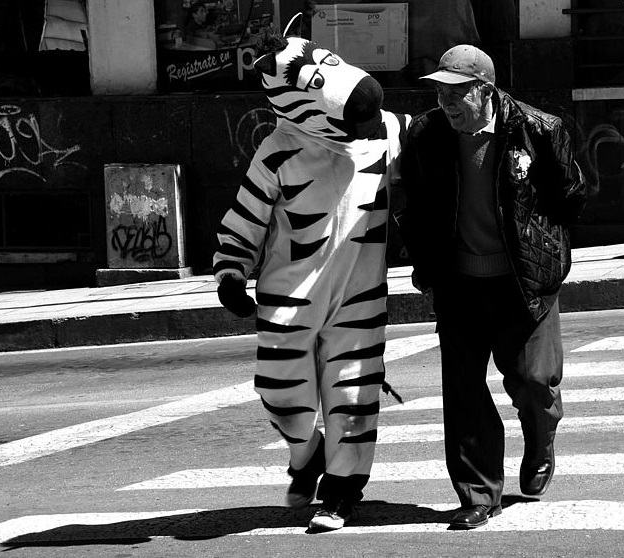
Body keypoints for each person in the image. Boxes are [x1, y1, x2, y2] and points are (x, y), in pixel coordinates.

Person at [212, 26, 409, 532]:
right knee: (280, 393)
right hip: (288, 299)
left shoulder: (387, 131)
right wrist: (231, 269)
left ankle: (342, 492)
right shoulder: (277, 151)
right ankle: (307, 454)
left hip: (357, 297)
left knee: (354, 393)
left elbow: (440, 145)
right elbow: (245, 217)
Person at [397, 45, 586, 530]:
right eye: (440, 94)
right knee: (463, 392)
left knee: (531, 381)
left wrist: (542, 250)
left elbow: (572, 195)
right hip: (459, 282)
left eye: (456, 93)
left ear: (485, 89)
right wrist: (423, 262)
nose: (447, 104)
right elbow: (416, 204)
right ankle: (478, 494)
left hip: (523, 281)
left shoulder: (539, 129)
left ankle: (541, 436)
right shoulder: (426, 135)